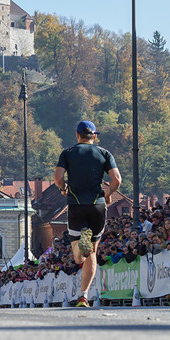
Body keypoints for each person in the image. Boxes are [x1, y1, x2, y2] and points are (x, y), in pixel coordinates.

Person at [53, 120, 121, 308]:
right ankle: (83, 296)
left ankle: (81, 244)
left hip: (76, 205)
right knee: (92, 252)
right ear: (95, 136)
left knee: (78, 258)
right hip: (97, 206)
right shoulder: (104, 153)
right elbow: (116, 180)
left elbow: (58, 178)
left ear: (77, 135)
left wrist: (64, 188)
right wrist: (108, 195)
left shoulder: (68, 153)